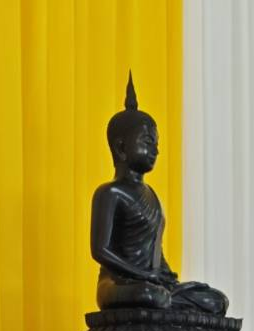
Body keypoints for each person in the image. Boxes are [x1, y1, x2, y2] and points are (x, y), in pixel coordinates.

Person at [91, 74, 229, 315]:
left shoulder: (152, 195)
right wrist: (141, 274)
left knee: (216, 301)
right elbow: (100, 251)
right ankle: (167, 301)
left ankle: (169, 300)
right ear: (121, 148)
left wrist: (165, 276)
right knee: (148, 296)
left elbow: (154, 250)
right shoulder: (110, 192)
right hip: (117, 283)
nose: (156, 150)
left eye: (156, 143)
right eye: (147, 141)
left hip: (153, 282)